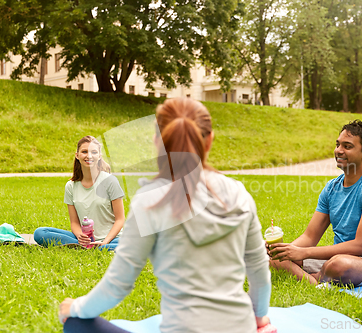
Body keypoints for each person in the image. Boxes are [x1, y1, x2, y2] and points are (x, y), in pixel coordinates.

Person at [58, 98, 272, 333]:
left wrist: (74, 308)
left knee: (77, 323)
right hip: (242, 327)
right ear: (209, 140)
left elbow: (116, 286)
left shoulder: (150, 201)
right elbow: (259, 271)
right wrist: (260, 319)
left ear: (157, 142)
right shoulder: (238, 193)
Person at [269, 120, 362, 287]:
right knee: (274, 261)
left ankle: (314, 279)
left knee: (338, 265)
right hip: (339, 257)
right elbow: (309, 236)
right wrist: (284, 251)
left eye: (347, 146)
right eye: (338, 144)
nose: (339, 151)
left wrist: (303, 253)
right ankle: (318, 283)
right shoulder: (331, 188)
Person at [34, 136, 125, 251]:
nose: (89, 156)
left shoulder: (110, 181)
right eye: (84, 152)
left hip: (112, 239)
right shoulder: (71, 186)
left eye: (94, 152)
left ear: (99, 156)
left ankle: (91, 248)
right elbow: (74, 223)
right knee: (40, 233)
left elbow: (120, 220)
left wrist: (105, 241)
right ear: (77, 155)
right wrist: (80, 236)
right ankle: (87, 247)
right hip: (85, 239)